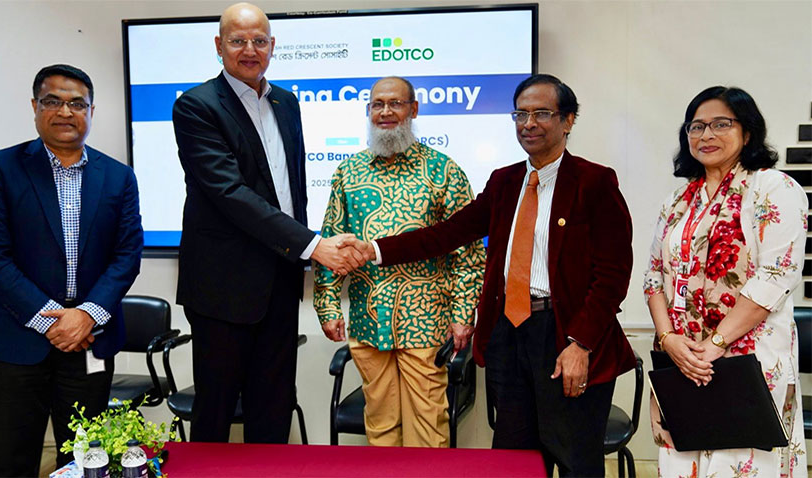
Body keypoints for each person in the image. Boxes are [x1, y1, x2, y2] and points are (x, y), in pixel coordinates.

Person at [340, 74, 636, 476]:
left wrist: (580, 344)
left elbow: (613, 275)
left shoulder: (595, 182)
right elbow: (446, 234)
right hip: (508, 339)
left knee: (575, 462)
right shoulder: (504, 182)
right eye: (520, 114)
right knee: (513, 462)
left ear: (568, 120)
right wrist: (374, 250)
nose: (528, 123)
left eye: (541, 113)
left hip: (564, 336)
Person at [171, 2, 363, 444]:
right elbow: (230, 194)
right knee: (216, 410)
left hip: (279, 279)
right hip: (222, 289)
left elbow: (291, 190)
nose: (250, 50)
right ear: (219, 45)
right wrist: (314, 245)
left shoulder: (286, 102)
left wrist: (303, 253)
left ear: (272, 46)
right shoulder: (197, 106)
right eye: (238, 40)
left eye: (259, 40)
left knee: (274, 406)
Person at [0, 64, 143, 477]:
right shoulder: (1, 168)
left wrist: (86, 315)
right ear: (35, 106)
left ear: (91, 111)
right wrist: (51, 321)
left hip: (90, 339)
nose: (65, 112)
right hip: (16, 340)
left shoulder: (118, 176)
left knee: (87, 460)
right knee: (12, 461)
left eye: (77, 103)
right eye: (53, 101)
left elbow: (127, 254)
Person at [644, 86, 808, 477]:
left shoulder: (774, 189)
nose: (706, 135)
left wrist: (715, 344)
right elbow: (653, 277)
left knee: (744, 464)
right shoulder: (677, 201)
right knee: (682, 459)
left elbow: (775, 277)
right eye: (696, 126)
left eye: (721, 124)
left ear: (747, 132)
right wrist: (669, 340)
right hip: (682, 360)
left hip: (747, 362)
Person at [314, 77, 485, 447]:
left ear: (414, 109)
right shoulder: (348, 172)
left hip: (425, 321)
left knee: (428, 428)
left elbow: (469, 253)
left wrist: (463, 313)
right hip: (368, 320)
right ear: (368, 111)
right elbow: (331, 244)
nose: (386, 112)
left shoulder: (443, 171)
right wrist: (327, 306)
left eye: (395, 103)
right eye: (377, 104)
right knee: (380, 427)